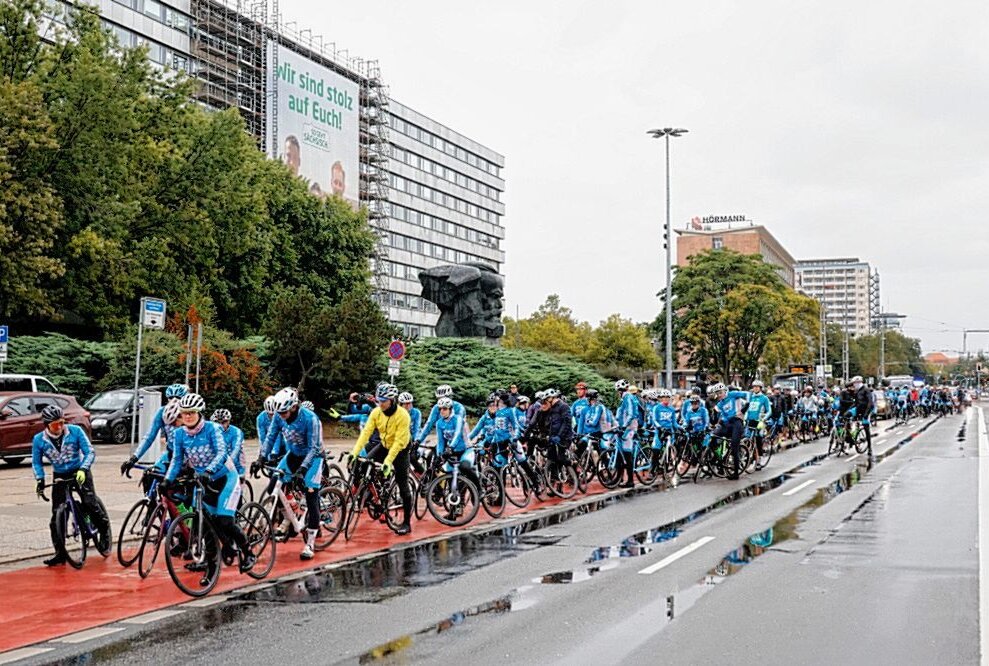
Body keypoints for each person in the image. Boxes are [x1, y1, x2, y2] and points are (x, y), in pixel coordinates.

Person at [164, 393, 254, 573]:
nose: (188, 416)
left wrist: (209, 471)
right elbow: (177, 459)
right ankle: (212, 568)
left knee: (225, 520)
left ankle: (248, 551)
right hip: (202, 480)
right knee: (206, 524)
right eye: (184, 413)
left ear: (199, 413)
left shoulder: (213, 429)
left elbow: (222, 453)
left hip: (225, 478)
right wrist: (167, 480)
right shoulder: (180, 433)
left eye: (192, 412)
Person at [251, 387, 324, 560]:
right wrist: (261, 458)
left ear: (293, 407)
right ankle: (288, 519)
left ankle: (310, 543)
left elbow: (314, 447)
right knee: (272, 487)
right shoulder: (278, 415)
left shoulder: (310, 418)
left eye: (284, 412)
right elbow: (270, 437)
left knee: (311, 495)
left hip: (313, 457)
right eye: (279, 412)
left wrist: (304, 469)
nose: (281, 415)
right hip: (293, 454)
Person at [33, 405, 111, 565]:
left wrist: (83, 468)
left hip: (79, 471)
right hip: (60, 475)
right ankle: (60, 553)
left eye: (62, 422)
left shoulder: (75, 431)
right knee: (56, 516)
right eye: (56, 425)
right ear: (47, 425)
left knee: (89, 503)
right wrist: (40, 480)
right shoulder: (39, 440)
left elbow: (89, 451)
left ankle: (104, 530)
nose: (60, 427)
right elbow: (36, 462)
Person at [349, 384, 413, 535]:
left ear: (392, 400)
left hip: (400, 448)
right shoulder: (376, 412)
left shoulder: (403, 415)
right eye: (378, 400)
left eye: (384, 401)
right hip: (384, 445)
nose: (380, 404)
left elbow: (398, 442)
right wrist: (355, 452)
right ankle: (376, 494)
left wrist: (388, 462)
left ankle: (406, 523)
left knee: (402, 482)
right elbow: (366, 433)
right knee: (362, 464)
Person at [420, 395, 482, 506]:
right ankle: (454, 509)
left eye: (444, 408)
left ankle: (479, 489)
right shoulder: (439, 423)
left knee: (465, 468)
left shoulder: (458, 419)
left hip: (466, 450)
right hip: (452, 452)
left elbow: (457, 435)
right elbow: (441, 442)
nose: (442, 411)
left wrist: (450, 448)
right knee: (447, 473)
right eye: (440, 409)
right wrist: (440, 455)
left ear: (450, 409)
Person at [121, 383, 188, 480]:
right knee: (150, 477)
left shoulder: (190, 414)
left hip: (188, 455)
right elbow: (149, 437)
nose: (174, 400)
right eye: (170, 397)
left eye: (178, 397)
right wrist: (134, 458)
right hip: (171, 453)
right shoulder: (162, 412)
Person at [709, 383, 749, 480]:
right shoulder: (720, 403)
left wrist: (745, 408)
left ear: (725, 391)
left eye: (720, 392)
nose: (719, 395)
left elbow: (748, 394)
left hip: (737, 423)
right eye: (717, 393)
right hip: (727, 424)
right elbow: (718, 416)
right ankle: (719, 460)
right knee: (712, 438)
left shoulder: (732, 394)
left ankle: (735, 472)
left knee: (734, 447)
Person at [614, 379, 641, 488]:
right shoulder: (624, 398)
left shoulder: (628, 397)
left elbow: (630, 414)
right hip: (624, 427)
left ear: (620, 390)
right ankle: (618, 478)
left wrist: (624, 426)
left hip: (629, 429)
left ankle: (630, 481)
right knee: (620, 453)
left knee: (627, 453)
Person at [650, 389, 680, 470]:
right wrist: (659, 427)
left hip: (669, 431)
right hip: (660, 430)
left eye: (667, 397)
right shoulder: (657, 407)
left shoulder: (671, 409)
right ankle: (653, 469)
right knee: (656, 449)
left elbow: (674, 423)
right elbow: (654, 420)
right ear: (661, 398)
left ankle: (665, 467)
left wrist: (681, 428)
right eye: (664, 397)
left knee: (669, 448)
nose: (666, 399)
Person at [211, 409, 245, 479]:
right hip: (218, 461)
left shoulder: (236, 432)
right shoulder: (211, 431)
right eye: (217, 422)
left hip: (235, 462)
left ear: (228, 421)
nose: (220, 425)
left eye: (223, 422)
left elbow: (235, 451)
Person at [745, 380, 772, 458]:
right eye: (754, 387)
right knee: (747, 439)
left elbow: (769, 411)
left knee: (758, 439)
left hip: (760, 422)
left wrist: (764, 419)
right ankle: (750, 458)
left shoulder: (764, 398)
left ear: (760, 388)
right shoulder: (750, 397)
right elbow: (747, 409)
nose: (755, 388)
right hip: (749, 421)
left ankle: (759, 458)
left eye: (757, 387)